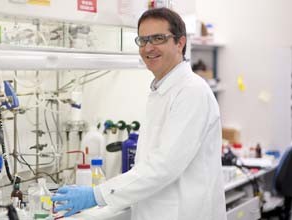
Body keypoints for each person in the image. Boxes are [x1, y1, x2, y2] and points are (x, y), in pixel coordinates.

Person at [52, 7, 227, 220]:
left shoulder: (191, 92)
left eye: (158, 38)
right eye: (142, 40)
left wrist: (97, 194)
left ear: (180, 43)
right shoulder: (162, 90)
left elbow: (164, 166)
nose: (148, 48)